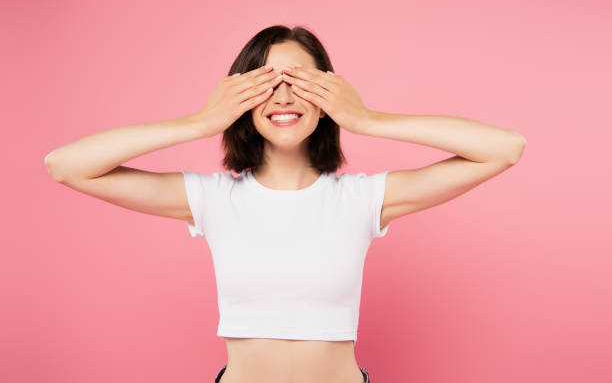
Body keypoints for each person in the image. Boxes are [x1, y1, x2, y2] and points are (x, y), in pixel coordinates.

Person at [44, 25, 527, 383]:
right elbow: (66, 165)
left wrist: (368, 119)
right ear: (239, 96)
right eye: (263, 81)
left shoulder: (361, 199)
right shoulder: (213, 199)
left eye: (301, 81)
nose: (283, 95)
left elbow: (505, 148)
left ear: (328, 96)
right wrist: (199, 121)